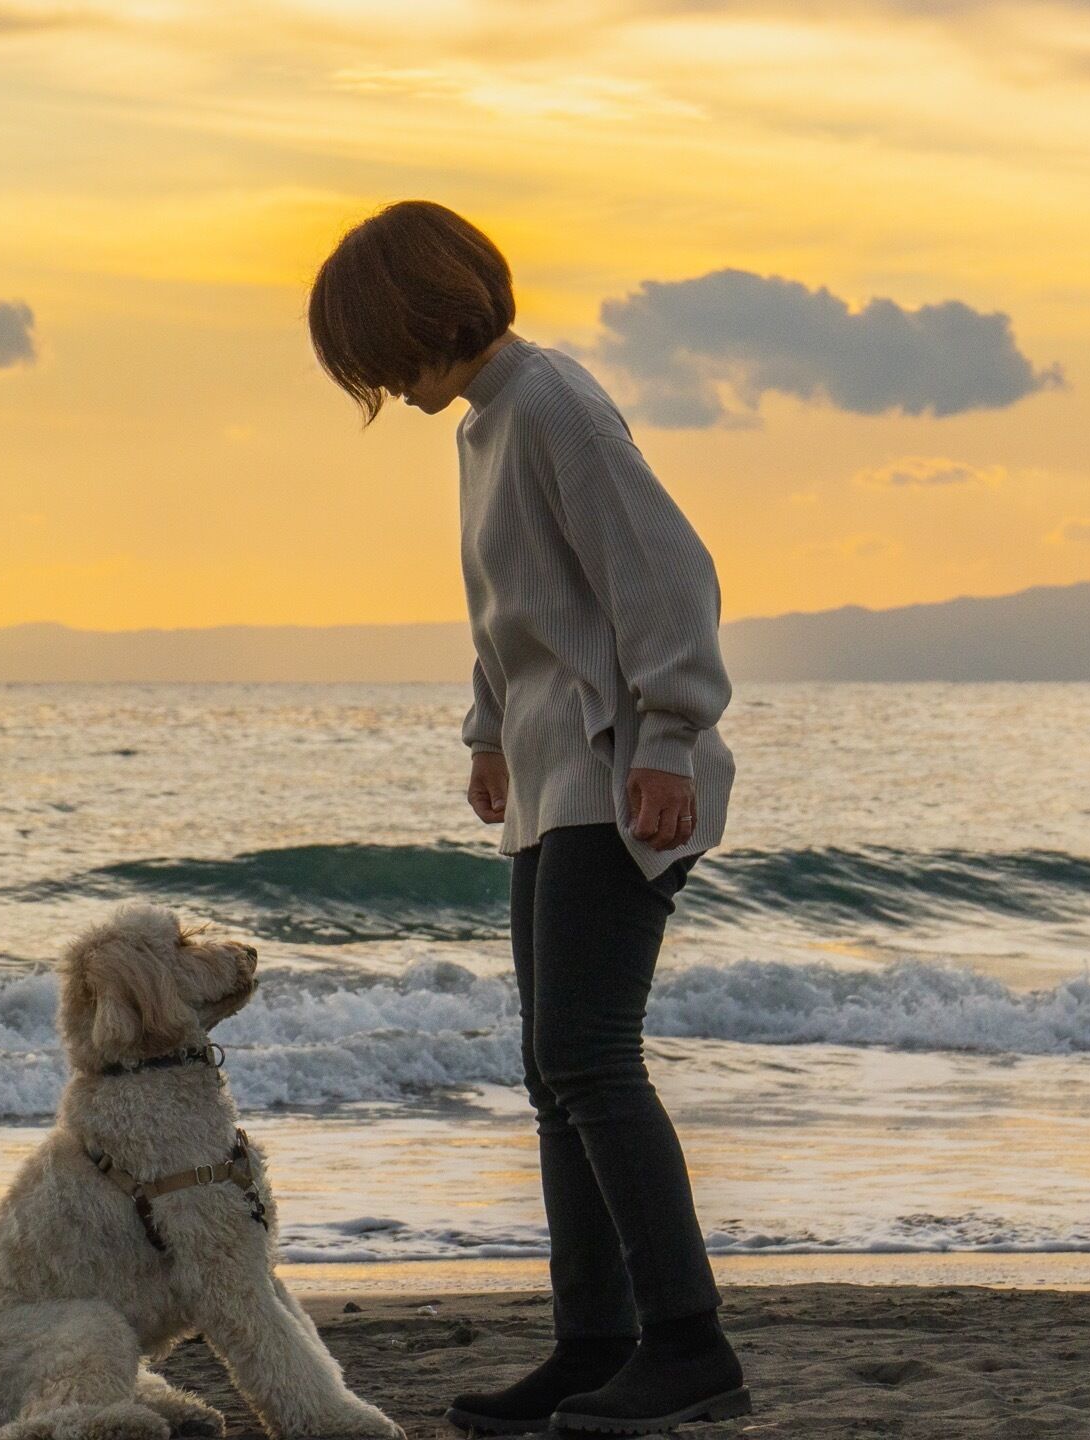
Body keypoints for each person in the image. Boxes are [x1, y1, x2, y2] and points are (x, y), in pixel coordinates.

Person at [307, 201, 748, 1436]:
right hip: (556, 783)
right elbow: (514, 607)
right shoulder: (486, 430)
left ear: (414, 312)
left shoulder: (552, 401)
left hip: (621, 773)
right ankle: (593, 1345)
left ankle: (690, 1345)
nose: (380, 383)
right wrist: (489, 731)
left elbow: (669, 576)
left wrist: (669, 735)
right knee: (554, 1071)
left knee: (592, 1059)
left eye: (371, 350)